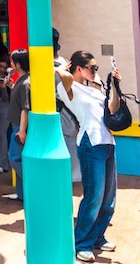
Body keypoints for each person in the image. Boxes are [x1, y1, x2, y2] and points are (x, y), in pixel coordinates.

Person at [57, 51, 119, 262]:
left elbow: (112, 108)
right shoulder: (69, 88)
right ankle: (82, 242)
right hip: (90, 143)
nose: (95, 71)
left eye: (96, 68)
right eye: (91, 67)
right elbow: (62, 77)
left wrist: (114, 86)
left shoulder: (95, 90)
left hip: (108, 142)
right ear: (78, 68)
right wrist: (61, 68)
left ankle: (97, 236)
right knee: (94, 195)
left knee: (109, 197)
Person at [53, 28, 81, 182]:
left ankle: (70, 177)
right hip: (71, 111)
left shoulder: (52, 68)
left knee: (66, 143)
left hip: (61, 111)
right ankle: (74, 175)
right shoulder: (66, 64)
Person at [7, 49, 30, 202]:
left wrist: (21, 130)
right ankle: (22, 194)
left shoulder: (25, 83)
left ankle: (33, 185)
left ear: (18, 64)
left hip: (19, 127)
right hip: (16, 124)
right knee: (19, 158)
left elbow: (25, 108)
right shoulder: (21, 81)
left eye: (12, 61)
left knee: (14, 158)